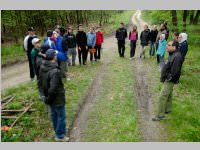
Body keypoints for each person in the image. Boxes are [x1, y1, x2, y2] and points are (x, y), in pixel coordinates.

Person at [39, 49, 69, 142]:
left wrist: (44, 96)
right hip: (57, 99)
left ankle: (58, 131)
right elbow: (53, 88)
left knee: (54, 116)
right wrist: (48, 99)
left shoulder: (43, 66)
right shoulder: (55, 71)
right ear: (53, 57)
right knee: (61, 117)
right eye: (55, 55)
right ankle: (60, 136)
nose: (56, 56)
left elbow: (39, 83)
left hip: (48, 97)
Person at [152, 40, 183, 121]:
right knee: (168, 94)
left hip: (169, 80)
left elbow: (175, 72)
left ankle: (160, 115)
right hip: (168, 79)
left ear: (174, 47)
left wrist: (168, 78)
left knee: (162, 96)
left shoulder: (177, 56)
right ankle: (168, 109)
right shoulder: (173, 54)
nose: (167, 46)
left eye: (169, 45)